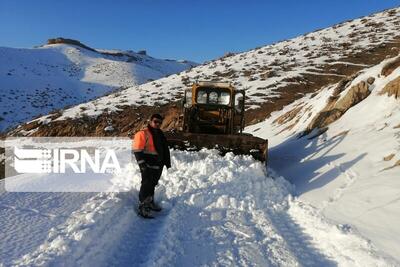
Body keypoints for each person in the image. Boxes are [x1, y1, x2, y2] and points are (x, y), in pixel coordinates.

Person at [132, 114, 171, 218]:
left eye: (160, 122)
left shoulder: (159, 133)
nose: (157, 124)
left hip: (157, 164)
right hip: (147, 164)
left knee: (152, 184)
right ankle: (143, 207)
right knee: (146, 184)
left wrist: (166, 162)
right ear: (150, 121)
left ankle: (150, 202)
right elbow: (137, 150)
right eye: (155, 121)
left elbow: (163, 149)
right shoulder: (143, 133)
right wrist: (142, 165)